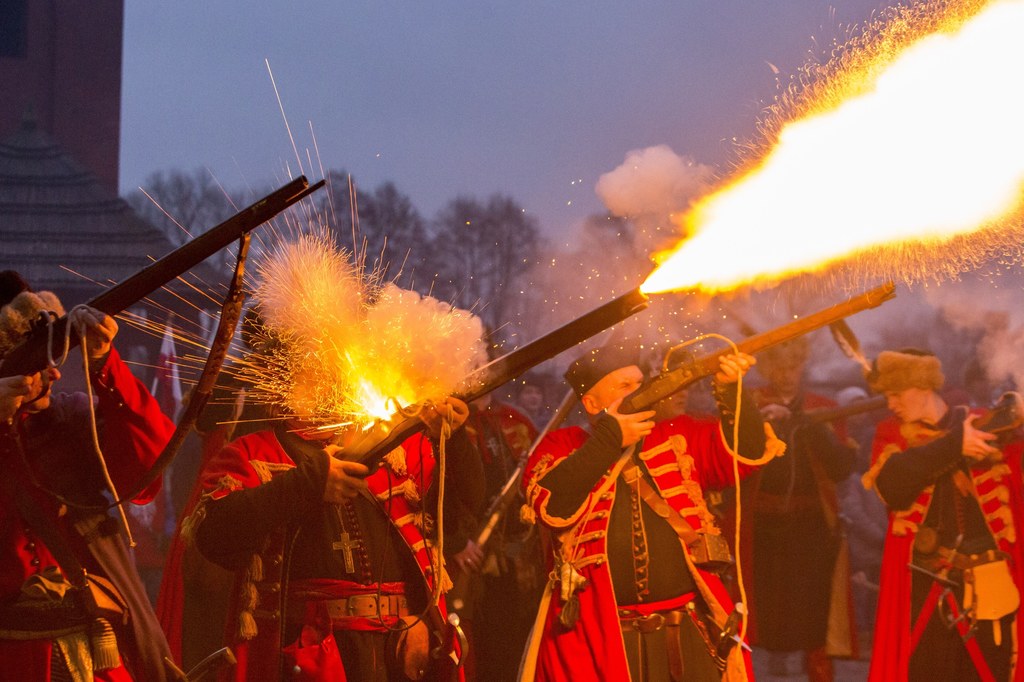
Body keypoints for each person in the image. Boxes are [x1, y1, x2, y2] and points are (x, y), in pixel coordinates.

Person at [520, 344, 782, 681]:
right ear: (592, 403)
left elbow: (745, 452)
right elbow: (551, 506)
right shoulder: (562, 445)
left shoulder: (676, 431)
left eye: (639, 383)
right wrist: (610, 438)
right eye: (624, 386)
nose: (638, 392)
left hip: (686, 627)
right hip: (597, 637)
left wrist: (731, 388)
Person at [0, 271, 177, 681]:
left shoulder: (70, 419)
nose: (54, 373)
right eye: (34, 362)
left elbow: (149, 471)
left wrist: (104, 363)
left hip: (94, 644)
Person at [862, 349, 1024, 682]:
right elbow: (893, 484)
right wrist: (955, 445)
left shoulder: (984, 422)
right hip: (926, 585)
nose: (890, 403)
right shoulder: (891, 434)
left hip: (991, 583)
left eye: (896, 393)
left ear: (922, 385)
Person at [743, 339, 858, 680]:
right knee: (760, 608)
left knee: (814, 609)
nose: (787, 375)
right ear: (767, 369)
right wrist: (760, 425)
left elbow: (840, 467)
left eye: (793, 367)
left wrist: (803, 422)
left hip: (810, 527)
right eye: (779, 367)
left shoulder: (823, 407)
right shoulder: (750, 405)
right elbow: (737, 458)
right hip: (762, 526)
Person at [448, 393, 540, 681]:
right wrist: (456, 540)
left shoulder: (514, 420)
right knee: (477, 642)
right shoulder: (451, 424)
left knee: (516, 635)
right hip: (469, 551)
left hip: (515, 552)